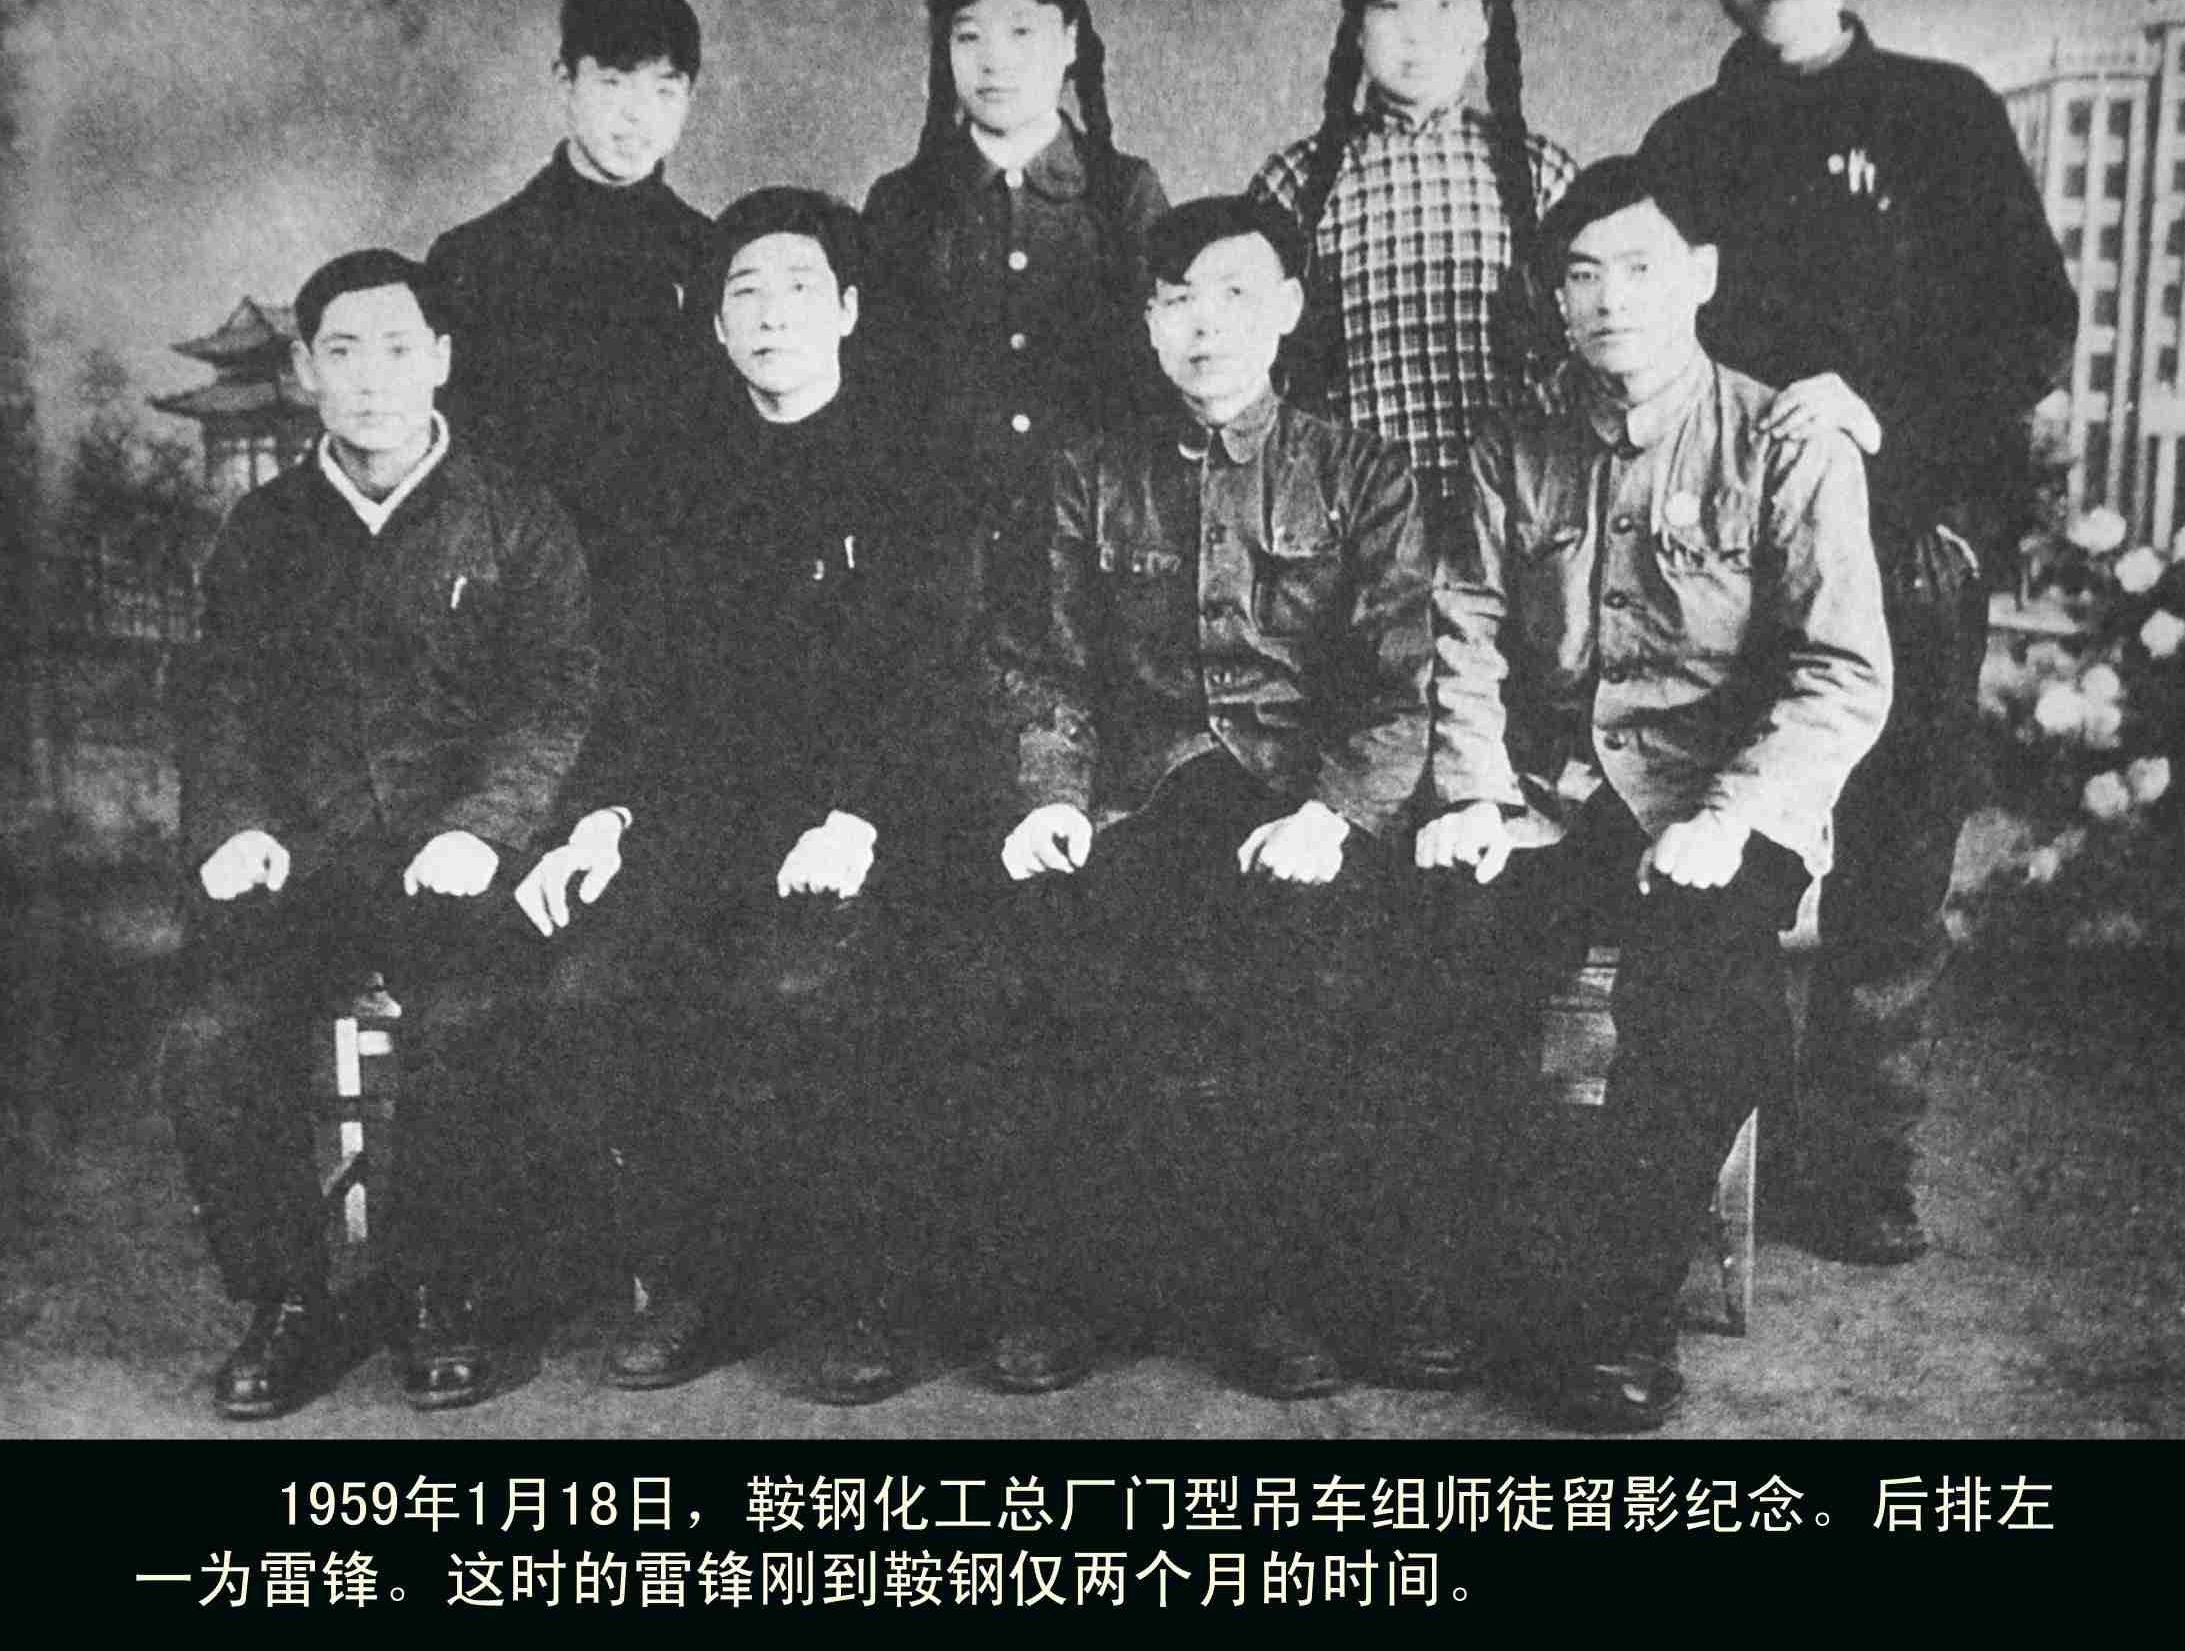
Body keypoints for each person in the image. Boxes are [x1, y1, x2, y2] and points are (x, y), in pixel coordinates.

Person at [1640, 0, 2078, 1263]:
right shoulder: (1686, 142)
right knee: (1716, 842)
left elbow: (2031, 324)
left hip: (1904, 539)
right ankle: (1698, 1152)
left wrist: (1882, 411)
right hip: (1726, 555)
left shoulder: (1940, 114)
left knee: (1891, 871)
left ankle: (1859, 1164)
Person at [1416, 157, 1892, 1428]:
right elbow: (1463, 629)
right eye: (1581, 276)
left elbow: (1841, 673)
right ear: (1556, 300)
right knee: (1435, 942)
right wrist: (1471, 791)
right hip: (1555, 795)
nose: (1609, 299)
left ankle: (1619, 1314)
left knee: (1706, 998)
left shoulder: (1784, 439)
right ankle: (1490, 1280)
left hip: (1722, 798)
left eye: (1638, 269)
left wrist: (1729, 817)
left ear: (1702, 278)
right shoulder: (1514, 443)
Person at [989, 195, 1431, 1399]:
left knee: (1309, 965)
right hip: (1141, 793)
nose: (1205, 326)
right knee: (1061, 948)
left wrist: (1333, 814)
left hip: (1301, 797)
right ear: (1146, 322)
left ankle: (1273, 1292)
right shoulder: (1088, 473)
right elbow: (1041, 665)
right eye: (1178, 300)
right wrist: (1052, 794)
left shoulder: (1360, 473)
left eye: (1234, 296)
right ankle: (1088, 1288)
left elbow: (1400, 684)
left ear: (1286, 309)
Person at [518, 190, 946, 1405]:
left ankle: (859, 1288)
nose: (771, 316)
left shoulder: (916, 467)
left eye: (799, 288)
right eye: (743, 294)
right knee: (598, 982)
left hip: (883, 817)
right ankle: (696, 1280)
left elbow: (940, 677)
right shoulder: (674, 479)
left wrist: (859, 816)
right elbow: (634, 681)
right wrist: (601, 820)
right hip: (704, 814)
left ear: (849, 310)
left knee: (803, 987)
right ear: (713, 326)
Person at [167, 249, 595, 1418]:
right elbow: (220, 697)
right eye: (342, 352)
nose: (371, 379)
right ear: (304, 370)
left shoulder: (515, 517)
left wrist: (484, 826)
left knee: (469, 1017)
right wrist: (236, 823)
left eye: (398, 349)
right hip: (303, 861)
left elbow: (557, 697)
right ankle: (285, 1301)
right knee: (212, 1036)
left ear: (441, 360)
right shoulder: (262, 529)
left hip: (456, 857)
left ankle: (435, 1290)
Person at [863, 0, 1172, 662]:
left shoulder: (1123, 194)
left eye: (1021, 33)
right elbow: (877, 389)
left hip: (1095, 554)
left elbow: (1158, 388)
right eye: (968, 37)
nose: (992, 61)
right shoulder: (903, 203)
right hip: (937, 560)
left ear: (1069, 42)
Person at [1248, 0, 1576, 529]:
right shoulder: (1295, 183)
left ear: (1484, 25)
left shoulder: (1542, 176)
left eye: (1446, 7)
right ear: (1358, 27)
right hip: (1346, 519)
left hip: (1516, 520)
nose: (1417, 35)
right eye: (1392, 7)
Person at [425, 0, 713, 579]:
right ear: (565, 81)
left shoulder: (714, 258)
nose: (637, 117)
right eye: (612, 83)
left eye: (664, 91)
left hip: (682, 591)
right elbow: (457, 477)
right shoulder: (476, 259)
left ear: (689, 98)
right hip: (527, 589)